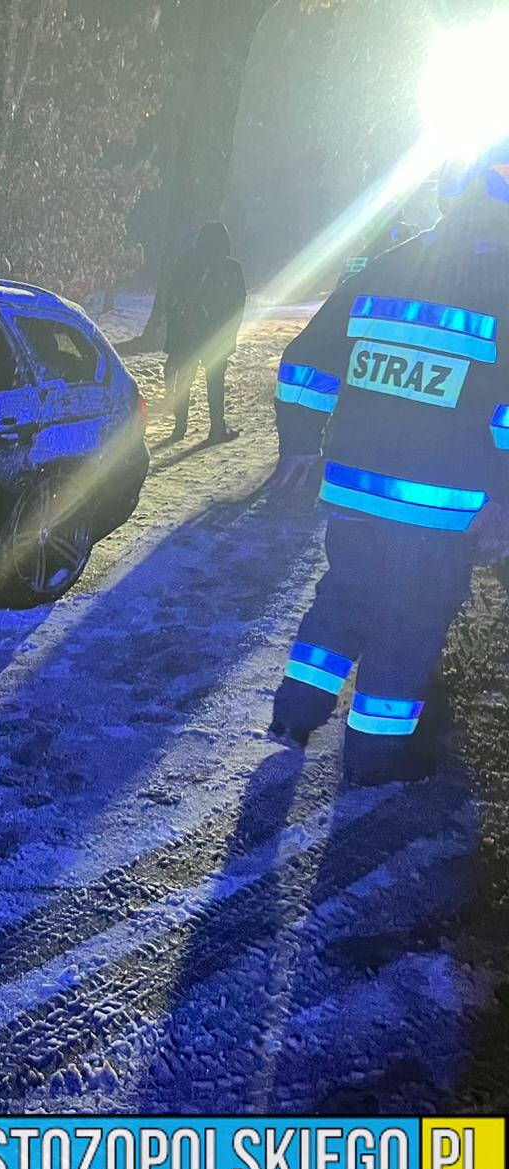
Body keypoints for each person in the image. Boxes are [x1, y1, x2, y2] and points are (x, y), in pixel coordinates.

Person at [268, 141, 509, 786]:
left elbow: (303, 363)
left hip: (355, 488)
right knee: (411, 621)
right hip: (438, 507)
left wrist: (299, 442)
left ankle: (293, 716)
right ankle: (375, 760)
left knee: (343, 597)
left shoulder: (385, 268)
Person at [164, 221, 248, 442]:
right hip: (215, 337)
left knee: (184, 381)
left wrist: (174, 335)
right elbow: (238, 305)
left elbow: (171, 298)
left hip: (187, 334)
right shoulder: (231, 269)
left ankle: (180, 427)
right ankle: (217, 428)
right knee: (215, 382)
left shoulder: (186, 265)